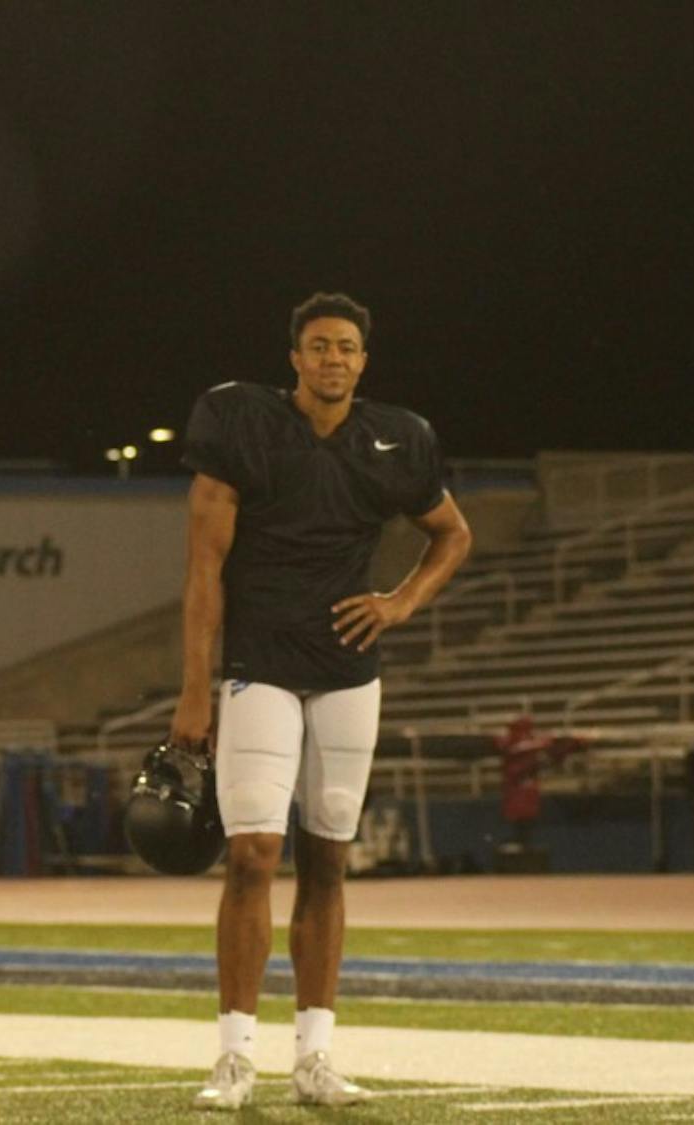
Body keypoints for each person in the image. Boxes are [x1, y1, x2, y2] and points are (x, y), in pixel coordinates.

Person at [173, 292, 472, 1110]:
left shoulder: (396, 438)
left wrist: (402, 601)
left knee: (330, 859)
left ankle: (315, 1053)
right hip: (260, 661)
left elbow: (453, 533)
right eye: (318, 346)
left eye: (346, 347)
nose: (332, 358)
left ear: (363, 361)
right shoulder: (240, 423)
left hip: (348, 668)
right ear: (295, 357)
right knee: (252, 855)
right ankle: (235, 1054)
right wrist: (194, 689)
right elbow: (204, 570)